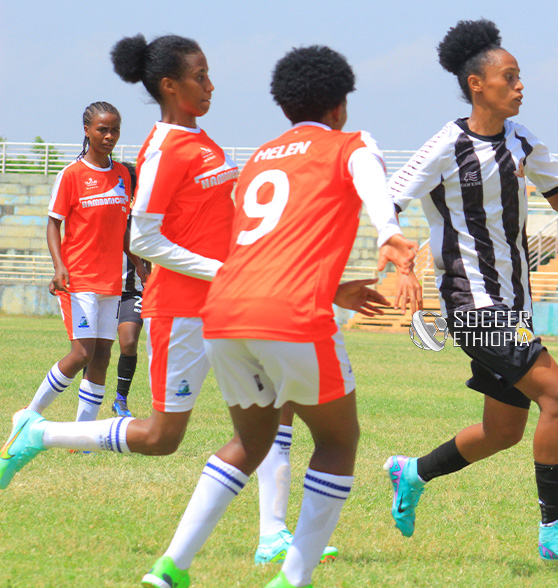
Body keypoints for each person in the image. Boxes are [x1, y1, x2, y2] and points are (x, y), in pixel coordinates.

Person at [0, 33, 316, 571]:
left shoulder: (203, 141)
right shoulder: (165, 148)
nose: (211, 85)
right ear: (170, 85)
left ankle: (272, 535)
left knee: (277, 404)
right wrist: (222, 270)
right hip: (181, 311)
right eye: (200, 76)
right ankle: (41, 432)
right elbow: (144, 238)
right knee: (161, 436)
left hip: (227, 304)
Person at [140, 45, 417, 588]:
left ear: (286, 107)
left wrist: (332, 288)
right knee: (337, 441)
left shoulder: (260, 159)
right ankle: (293, 579)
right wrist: (388, 231)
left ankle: (171, 565)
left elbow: (266, 249)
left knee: (251, 441)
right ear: (339, 105)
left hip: (223, 311)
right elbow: (368, 177)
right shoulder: (351, 143)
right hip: (290, 316)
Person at [386, 19, 558, 567]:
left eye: (520, 77)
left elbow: (557, 192)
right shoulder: (446, 145)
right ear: (477, 84)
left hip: (514, 303)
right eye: (509, 77)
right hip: (472, 304)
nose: (520, 86)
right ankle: (553, 530)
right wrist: (399, 256)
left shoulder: (521, 140)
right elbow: (388, 199)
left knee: (502, 431)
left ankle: (412, 472)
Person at [24, 101, 133, 424]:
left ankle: (83, 436)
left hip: (112, 280)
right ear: (87, 130)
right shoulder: (71, 175)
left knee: (102, 355)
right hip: (79, 278)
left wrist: (138, 263)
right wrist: (59, 266)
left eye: (115, 130)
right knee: (82, 352)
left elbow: (123, 227)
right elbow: (53, 223)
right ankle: (29, 416)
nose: (109, 136)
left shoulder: (122, 174)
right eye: (102, 129)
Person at [111, 161, 151, 418]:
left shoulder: (142, 216)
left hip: (132, 290)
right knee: (94, 348)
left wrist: (146, 274)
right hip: (103, 287)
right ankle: (89, 394)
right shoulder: (107, 209)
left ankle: (120, 399)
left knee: (128, 341)